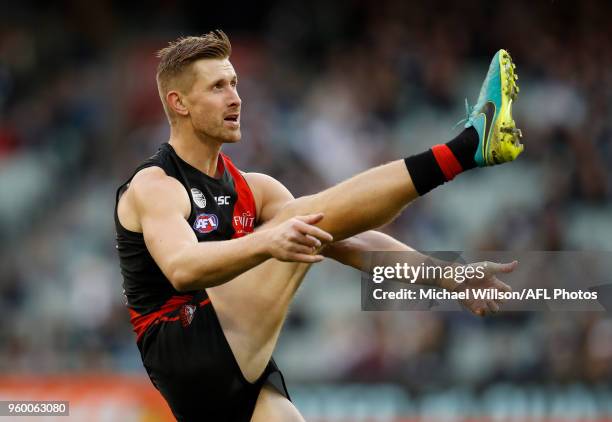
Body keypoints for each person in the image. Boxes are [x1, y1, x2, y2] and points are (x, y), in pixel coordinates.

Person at [114, 30, 523, 421]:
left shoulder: (253, 189)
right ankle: (468, 148)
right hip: (185, 349)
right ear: (179, 103)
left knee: (311, 225)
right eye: (217, 87)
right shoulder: (156, 184)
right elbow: (182, 268)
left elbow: (350, 236)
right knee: (301, 221)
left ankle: (470, 149)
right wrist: (269, 241)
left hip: (237, 380)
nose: (236, 98)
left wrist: (446, 276)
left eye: (235, 83)